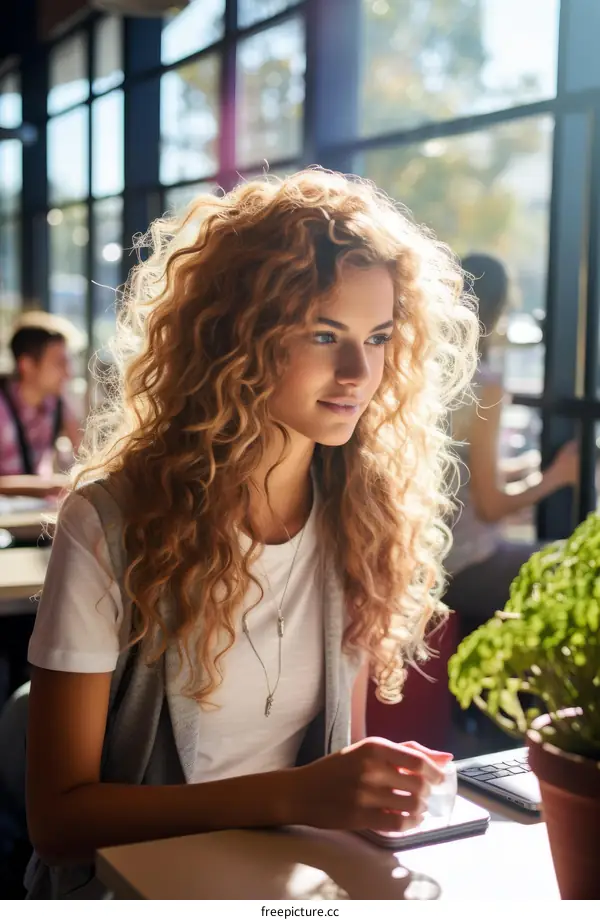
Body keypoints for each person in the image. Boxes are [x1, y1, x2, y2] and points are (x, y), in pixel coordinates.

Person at [23, 169, 478, 898]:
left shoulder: (363, 515)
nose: (359, 372)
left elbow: (339, 758)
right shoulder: (110, 523)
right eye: (324, 334)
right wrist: (294, 797)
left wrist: (370, 792)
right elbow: (57, 823)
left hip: (287, 887)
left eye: (378, 337)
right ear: (238, 335)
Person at [444, 253, 579, 627]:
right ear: (498, 310)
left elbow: (461, 477)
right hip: (463, 567)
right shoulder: (484, 386)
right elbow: (490, 507)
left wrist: (530, 469)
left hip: (431, 561)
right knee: (585, 566)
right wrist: (558, 477)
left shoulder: (434, 374)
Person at [0, 311, 83, 499]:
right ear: (27, 365)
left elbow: (85, 455)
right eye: (59, 363)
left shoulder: (57, 404)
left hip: (34, 517)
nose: (68, 373)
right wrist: (49, 486)